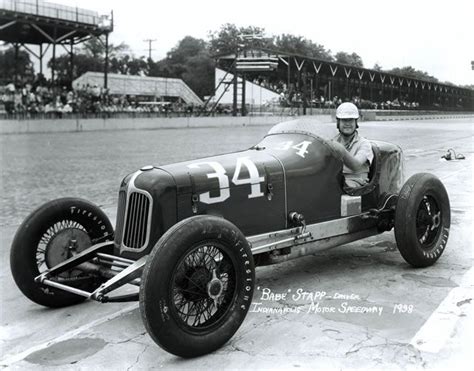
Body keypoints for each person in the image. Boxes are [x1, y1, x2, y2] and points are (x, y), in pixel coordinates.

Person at [331, 102, 374, 188]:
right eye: (344, 120)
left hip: (355, 184)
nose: (347, 123)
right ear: (338, 122)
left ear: (356, 122)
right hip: (335, 181)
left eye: (350, 120)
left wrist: (341, 150)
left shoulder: (364, 143)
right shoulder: (333, 141)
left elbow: (356, 165)